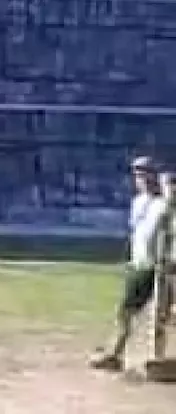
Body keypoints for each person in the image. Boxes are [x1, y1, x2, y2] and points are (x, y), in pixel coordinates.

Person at [89, 156, 174, 371]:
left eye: (146, 173)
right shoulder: (138, 202)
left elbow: (170, 218)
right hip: (140, 265)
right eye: (138, 174)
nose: (142, 178)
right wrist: (130, 258)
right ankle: (115, 355)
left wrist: (168, 190)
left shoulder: (165, 203)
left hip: (161, 268)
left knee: (160, 317)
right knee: (125, 312)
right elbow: (137, 233)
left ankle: (158, 359)